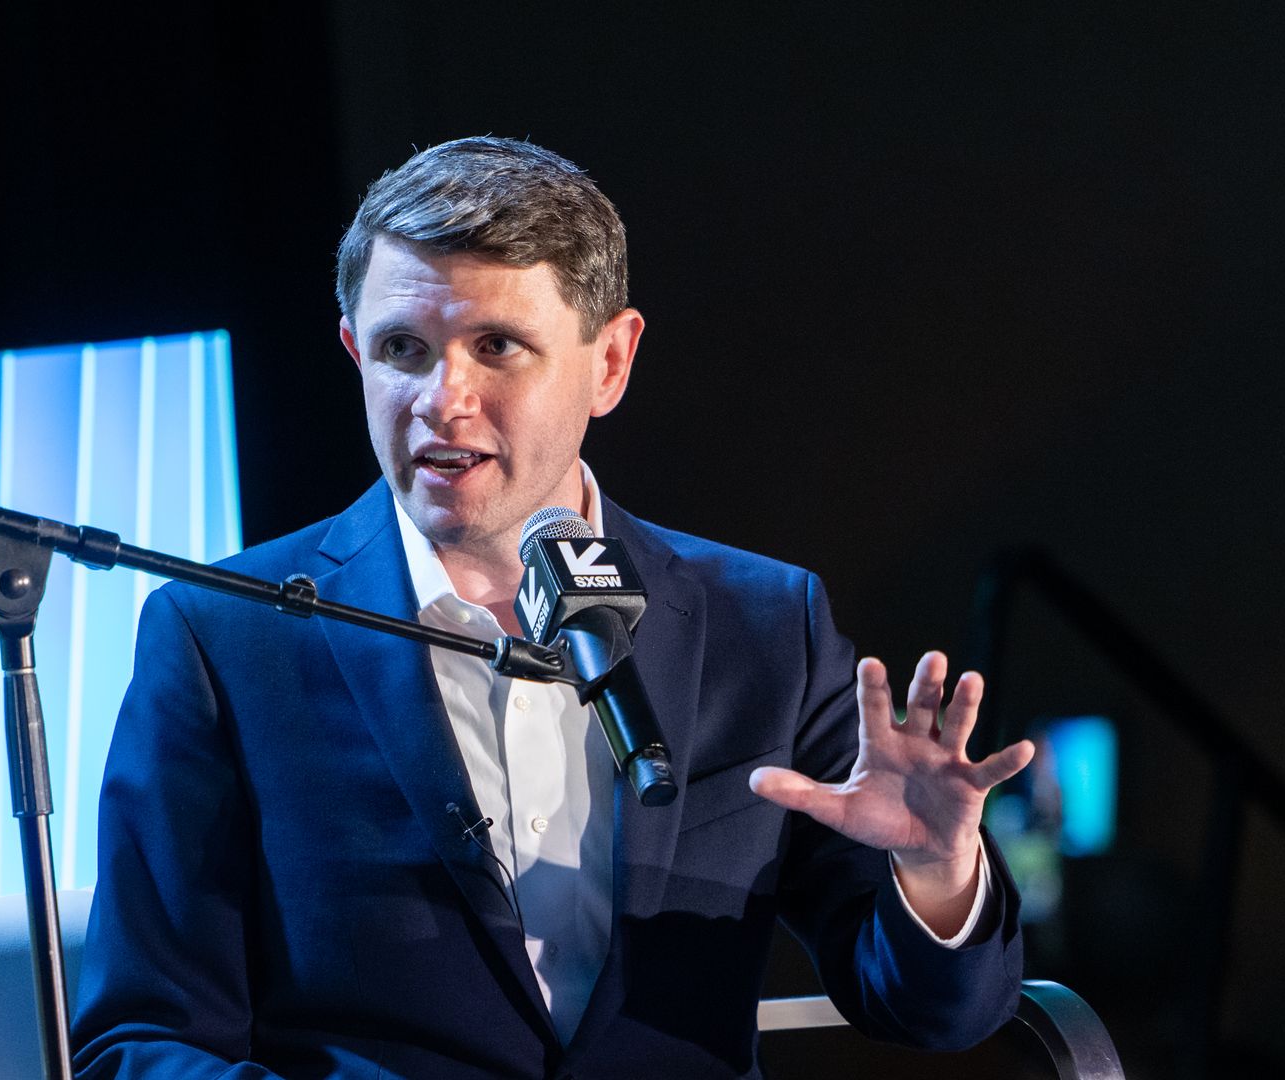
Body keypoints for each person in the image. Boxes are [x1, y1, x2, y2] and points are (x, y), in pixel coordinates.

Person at [71, 136, 1036, 1079]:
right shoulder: (228, 635)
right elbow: (142, 1044)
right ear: (352, 355)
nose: (443, 399)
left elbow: (936, 1015)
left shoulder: (764, 626)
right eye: (402, 348)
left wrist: (938, 875)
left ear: (609, 364)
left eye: (498, 346)